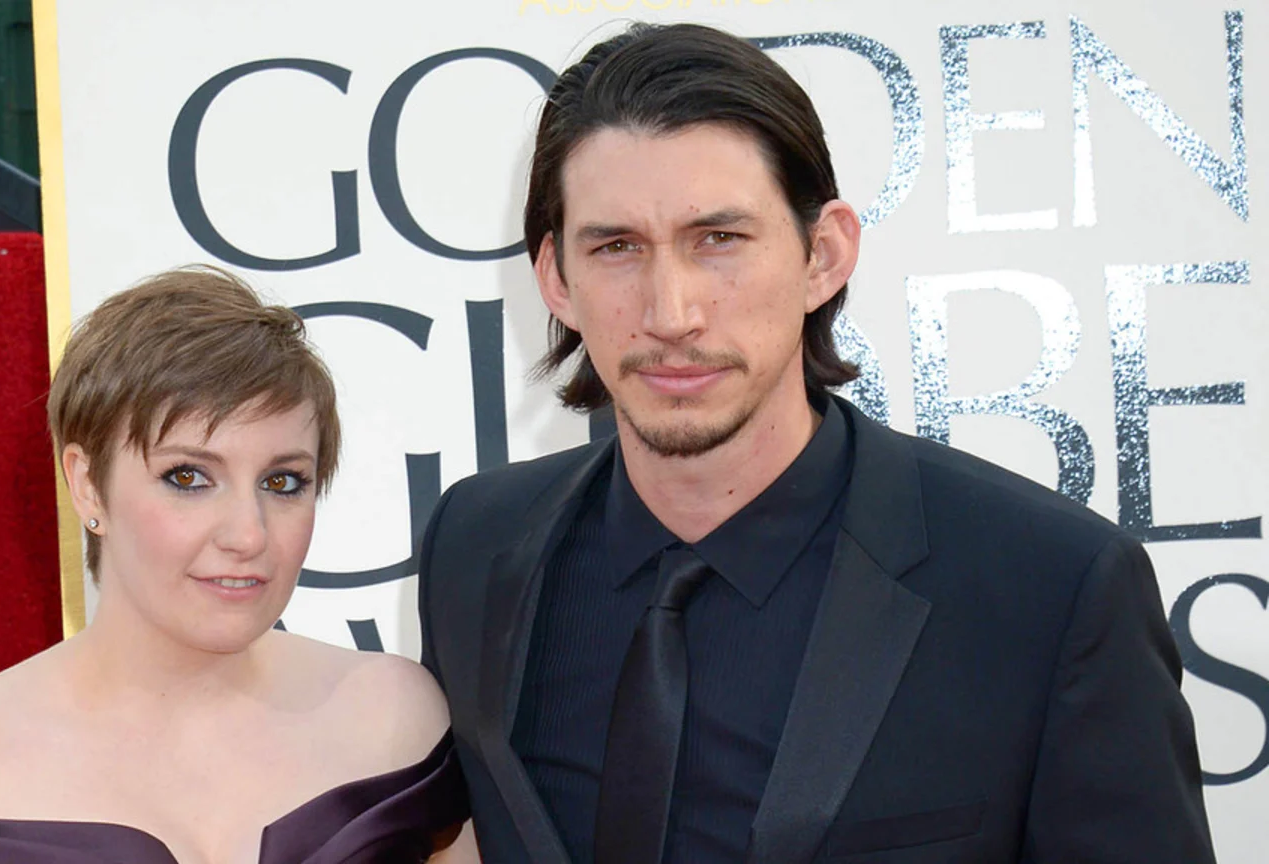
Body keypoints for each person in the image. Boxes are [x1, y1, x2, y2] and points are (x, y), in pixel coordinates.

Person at [417, 22, 1213, 864]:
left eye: (717, 239)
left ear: (823, 255)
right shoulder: (474, 544)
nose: (670, 311)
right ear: (556, 281)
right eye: (616, 248)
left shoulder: (1052, 588)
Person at [0, 266, 477, 864]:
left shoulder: (393, 717)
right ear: (86, 484)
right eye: (188, 476)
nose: (248, 534)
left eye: (282, 483)